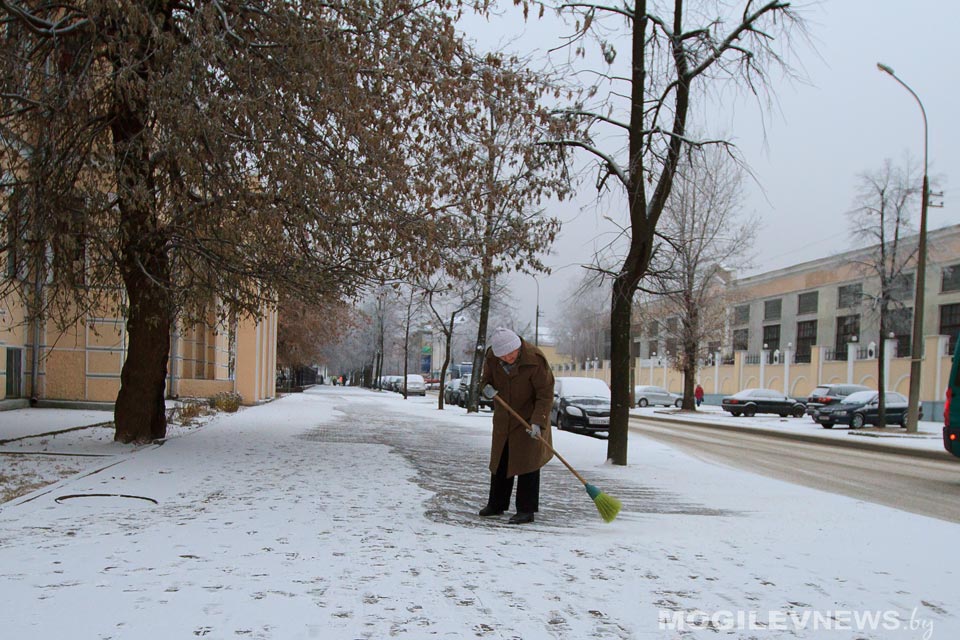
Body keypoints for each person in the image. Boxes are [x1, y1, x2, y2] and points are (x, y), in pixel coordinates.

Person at [478, 327, 555, 525]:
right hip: (505, 418)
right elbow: (485, 380)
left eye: (511, 353)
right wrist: (486, 388)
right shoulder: (492, 357)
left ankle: (526, 510)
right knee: (501, 462)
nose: (508, 357)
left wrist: (538, 421)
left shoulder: (535, 360)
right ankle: (496, 504)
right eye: (504, 356)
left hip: (530, 418)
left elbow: (545, 394)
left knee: (528, 463)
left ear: (518, 347)